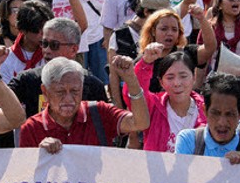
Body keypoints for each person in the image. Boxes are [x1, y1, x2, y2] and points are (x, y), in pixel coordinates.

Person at [21, 56, 149, 150]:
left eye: (75, 91)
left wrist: (131, 80)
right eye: (60, 92)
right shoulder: (31, 128)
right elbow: (25, 177)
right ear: (45, 92)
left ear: (82, 88)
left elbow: (140, 123)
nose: (68, 99)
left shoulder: (99, 113)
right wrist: (39, 155)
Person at [10, 17, 108, 118]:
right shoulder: (27, 80)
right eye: (44, 44)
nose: (47, 50)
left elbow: (105, 124)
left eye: (54, 45)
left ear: (73, 49)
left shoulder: (92, 86)